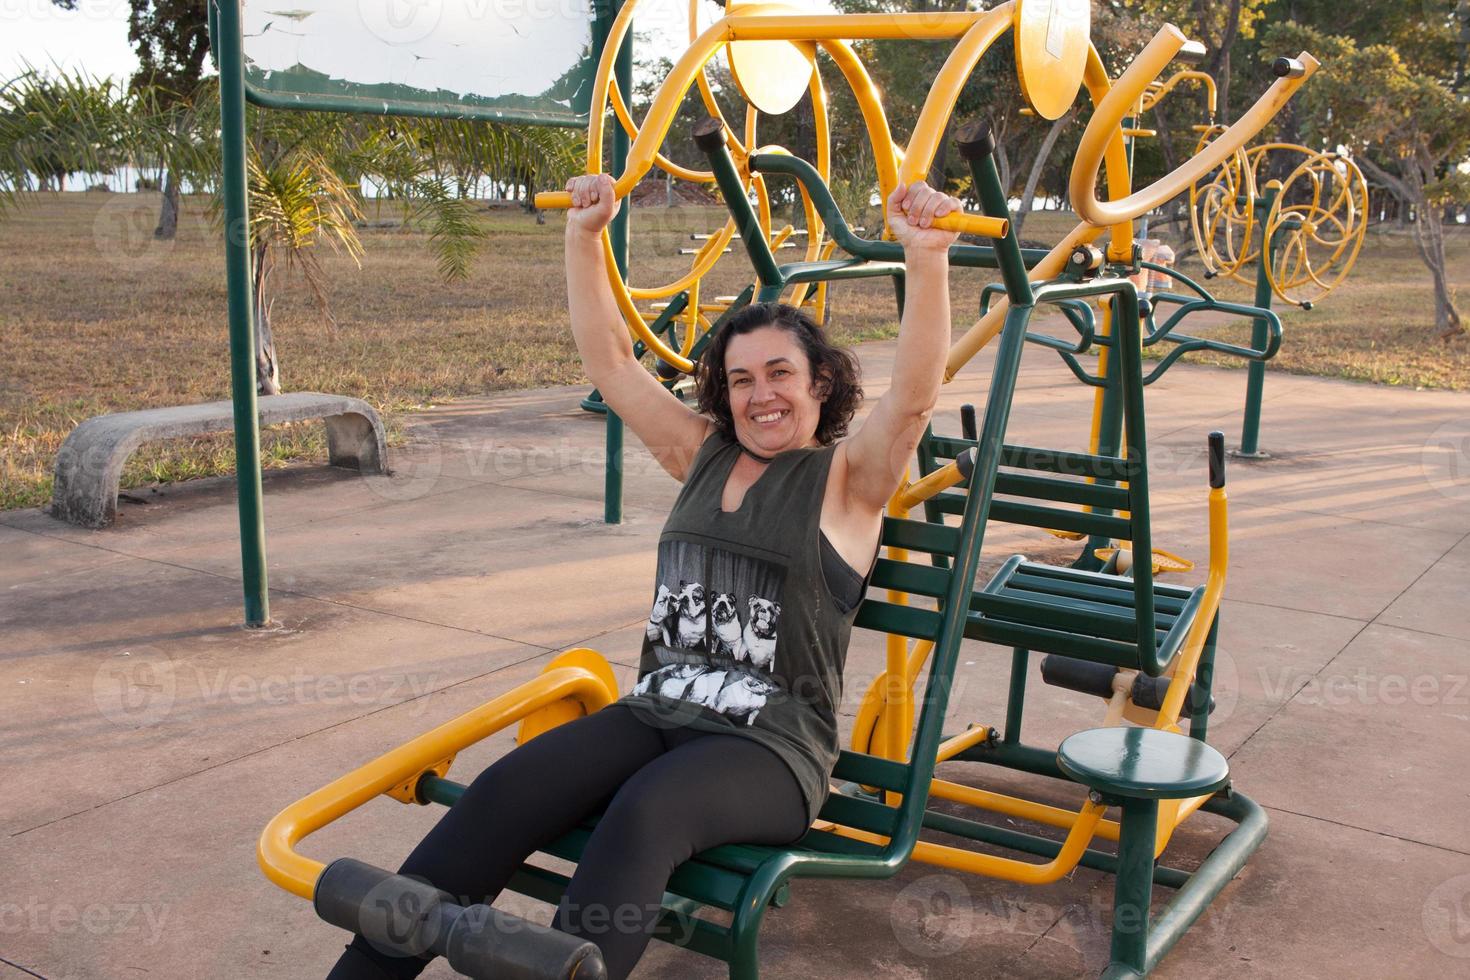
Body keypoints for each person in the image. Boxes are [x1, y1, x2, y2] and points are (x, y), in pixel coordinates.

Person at [326, 173, 961, 980]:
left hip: (769, 750)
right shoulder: (701, 455)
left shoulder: (847, 482)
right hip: (661, 711)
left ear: (820, 383)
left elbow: (910, 402)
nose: (760, 395)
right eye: (740, 380)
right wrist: (585, 235)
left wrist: (928, 259)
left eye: (779, 374)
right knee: (507, 788)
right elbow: (614, 365)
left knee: (646, 813)